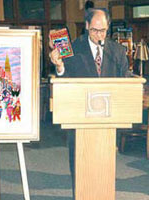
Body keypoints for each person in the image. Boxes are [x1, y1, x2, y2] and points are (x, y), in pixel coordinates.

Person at [49, 7, 131, 196]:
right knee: (80, 164)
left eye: (103, 30)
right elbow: (64, 82)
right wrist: (60, 66)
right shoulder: (73, 48)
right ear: (86, 26)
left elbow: (124, 81)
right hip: (80, 119)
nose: (99, 35)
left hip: (108, 120)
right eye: (94, 30)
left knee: (104, 166)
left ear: (108, 27)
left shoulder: (117, 51)